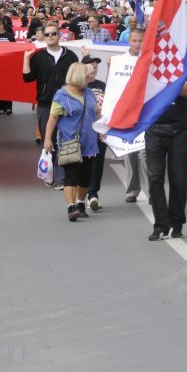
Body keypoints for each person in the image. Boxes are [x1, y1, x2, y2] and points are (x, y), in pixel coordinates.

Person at [23, 22, 79, 190]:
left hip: (66, 104)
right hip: (46, 104)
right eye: (47, 34)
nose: (50, 37)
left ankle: (62, 178)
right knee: (49, 141)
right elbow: (27, 78)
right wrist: (26, 58)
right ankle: (50, 173)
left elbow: (77, 77)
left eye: (53, 34)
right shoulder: (39, 57)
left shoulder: (70, 56)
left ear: (59, 36)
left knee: (64, 140)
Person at [43, 63, 100, 222]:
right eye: (87, 74)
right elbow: (53, 118)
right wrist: (47, 139)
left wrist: (101, 130)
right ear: (78, 76)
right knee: (71, 176)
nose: (91, 76)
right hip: (70, 143)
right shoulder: (61, 95)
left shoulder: (89, 93)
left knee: (85, 177)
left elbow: (97, 112)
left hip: (89, 142)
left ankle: (81, 204)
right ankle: (71, 208)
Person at [145, 66, 187, 241]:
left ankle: (177, 222)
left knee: (179, 178)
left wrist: (161, 83)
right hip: (154, 128)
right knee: (155, 178)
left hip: (179, 129)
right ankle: (160, 225)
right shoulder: (150, 62)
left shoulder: (184, 62)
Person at [120, 29, 148, 204]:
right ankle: (132, 190)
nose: (138, 44)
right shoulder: (120, 61)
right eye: (135, 41)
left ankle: (153, 191)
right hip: (127, 114)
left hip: (146, 113)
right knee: (129, 152)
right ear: (129, 41)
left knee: (146, 154)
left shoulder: (150, 60)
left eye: (141, 41)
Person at [82, 54, 107, 212]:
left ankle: (93, 194)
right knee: (84, 163)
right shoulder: (77, 86)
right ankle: (81, 195)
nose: (93, 71)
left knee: (98, 162)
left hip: (99, 129)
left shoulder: (102, 85)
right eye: (90, 67)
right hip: (83, 131)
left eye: (96, 68)